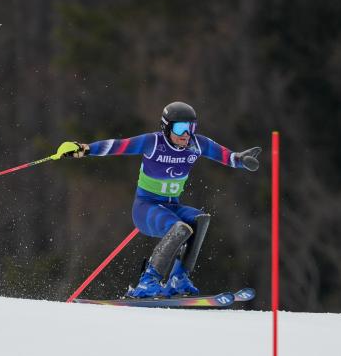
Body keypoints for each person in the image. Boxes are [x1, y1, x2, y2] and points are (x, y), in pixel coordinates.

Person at [56, 101, 261, 298]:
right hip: (146, 208)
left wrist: (241, 160)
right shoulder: (153, 143)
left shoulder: (197, 145)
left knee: (200, 219)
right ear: (166, 127)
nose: (186, 134)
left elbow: (227, 156)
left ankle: (178, 278)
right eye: (181, 128)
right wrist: (84, 149)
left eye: (191, 127)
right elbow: (118, 146)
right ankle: (147, 281)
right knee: (180, 227)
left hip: (172, 206)